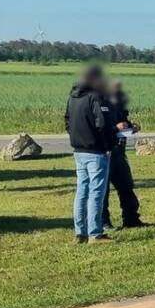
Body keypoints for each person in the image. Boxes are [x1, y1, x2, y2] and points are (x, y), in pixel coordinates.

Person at [64, 65, 115, 243]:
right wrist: (108, 143)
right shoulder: (95, 97)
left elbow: (67, 122)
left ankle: (80, 232)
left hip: (78, 150)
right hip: (96, 152)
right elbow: (102, 124)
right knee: (96, 193)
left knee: (81, 191)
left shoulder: (72, 97)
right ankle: (95, 233)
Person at [101, 79, 143, 229]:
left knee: (126, 186)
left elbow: (123, 121)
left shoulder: (118, 106)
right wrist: (116, 128)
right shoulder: (99, 103)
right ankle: (103, 221)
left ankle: (131, 218)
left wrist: (131, 126)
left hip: (119, 151)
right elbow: (100, 128)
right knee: (103, 190)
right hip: (104, 152)